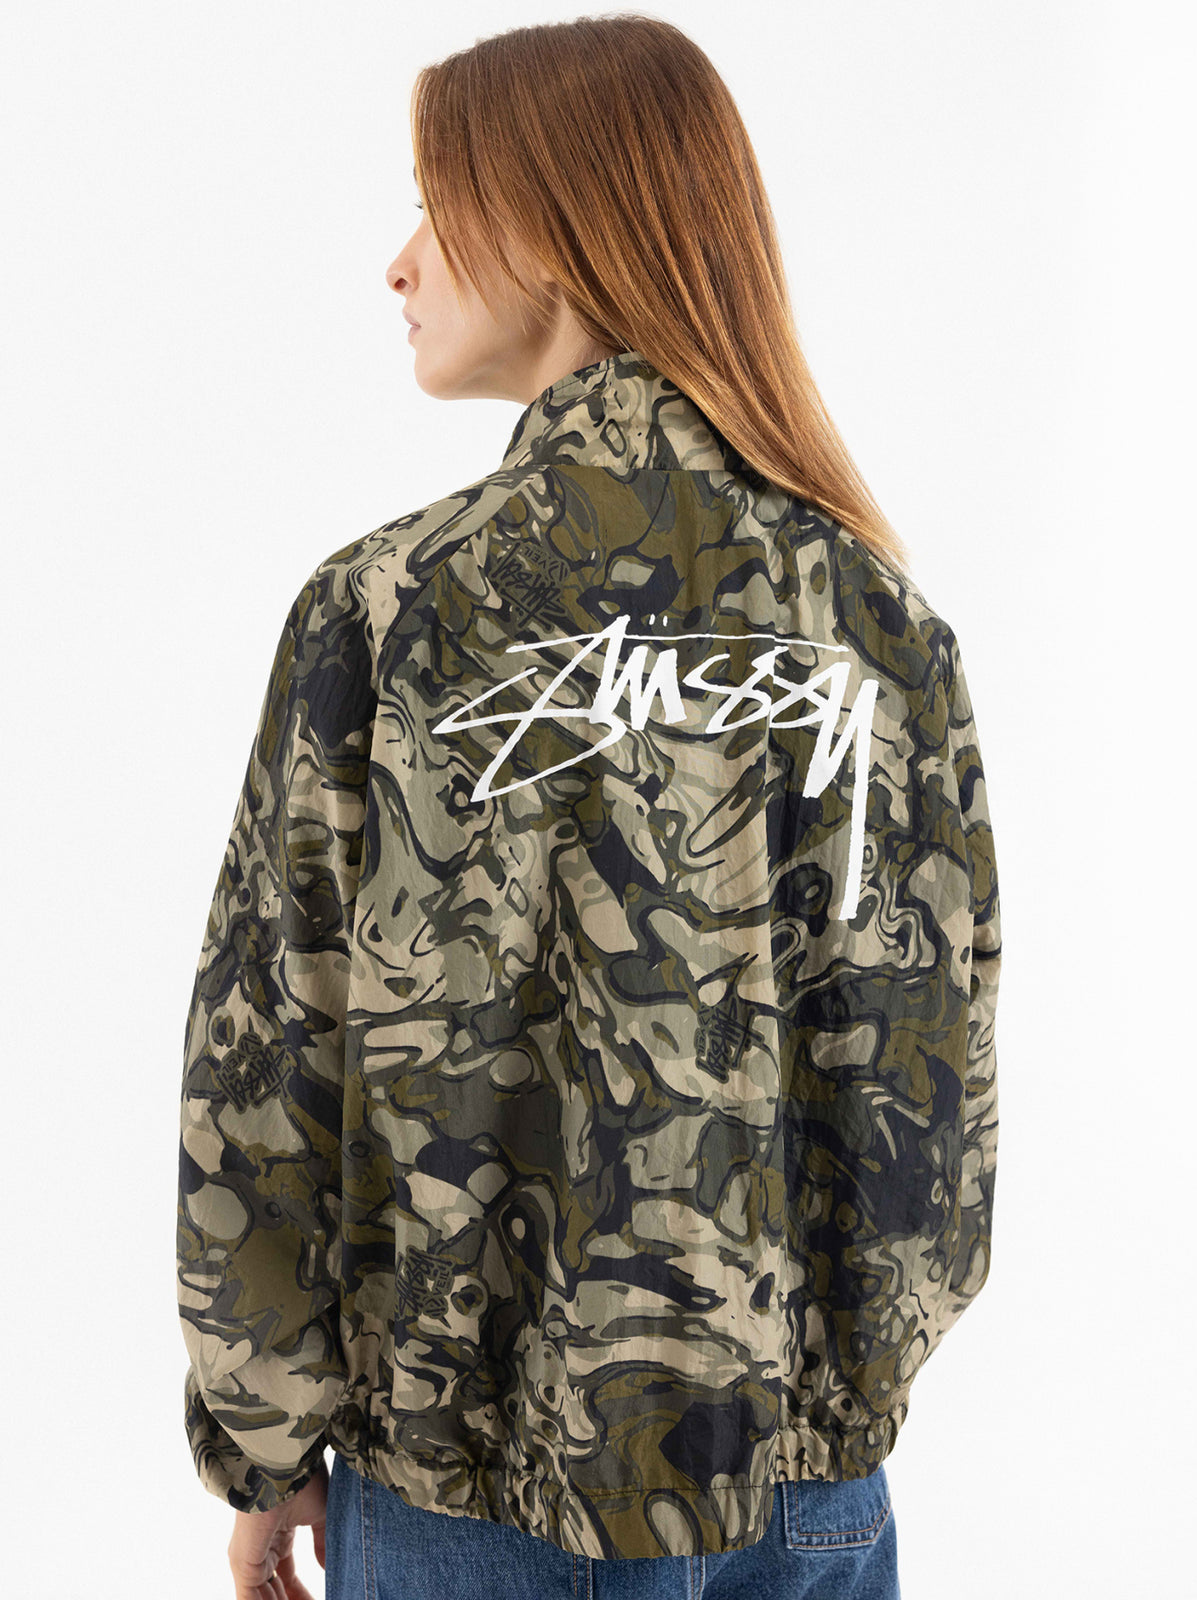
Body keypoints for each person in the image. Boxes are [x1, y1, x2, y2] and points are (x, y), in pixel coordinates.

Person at [175, 14, 1000, 1600]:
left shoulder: (391, 611)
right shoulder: (874, 618)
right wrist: (831, 1390)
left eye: (437, 206)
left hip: (470, 1509)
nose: (399, 263)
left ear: (552, 234)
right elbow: (936, 1055)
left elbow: (268, 1061)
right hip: (804, 1493)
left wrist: (265, 1447)